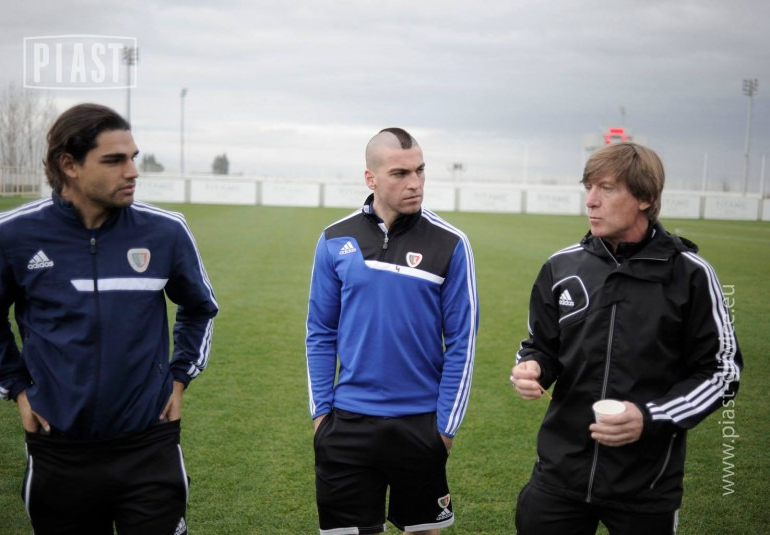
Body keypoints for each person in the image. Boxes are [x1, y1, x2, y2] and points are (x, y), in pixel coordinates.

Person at [0, 103, 218, 535]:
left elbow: (200, 307)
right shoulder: (10, 235)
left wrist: (180, 377)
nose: (132, 171)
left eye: (132, 157)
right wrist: (16, 387)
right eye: (114, 160)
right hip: (59, 450)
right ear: (69, 165)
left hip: (149, 444)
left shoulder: (165, 231)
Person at [510, 142, 742, 535]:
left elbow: (722, 373)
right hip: (559, 475)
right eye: (588, 187)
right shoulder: (561, 266)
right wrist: (532, 367)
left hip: (646, 484)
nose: (590, 201)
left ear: (645, 198)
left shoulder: (690, 274)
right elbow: (541, 345)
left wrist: (650, 417)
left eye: (606, 188)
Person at [305, 128, 479, 535]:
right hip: (347, 421)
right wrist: (321, 417)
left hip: (419, 423)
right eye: (400, 173)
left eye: (420, 170)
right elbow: (320, 331)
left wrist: (444, 431)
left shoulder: (451, 243)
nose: (414, 182)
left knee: (422, 530)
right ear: (371, 179)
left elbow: (462, 342)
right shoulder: (334, 239)